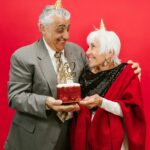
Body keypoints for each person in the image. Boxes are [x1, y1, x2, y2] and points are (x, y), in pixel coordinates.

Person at [5, 0, 141, 149]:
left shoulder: (77, 52)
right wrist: (47, 103)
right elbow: (15, 97)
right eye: (60, 29)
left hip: (69, 137)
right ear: (42, 28)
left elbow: (97, 76)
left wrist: (126, 69)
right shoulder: (23, 56)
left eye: (68, 29)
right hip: (34, 139)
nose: (66, 35)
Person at [70, 20, 146, 150]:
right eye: (88, 47)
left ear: (109, 53)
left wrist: (101, 102)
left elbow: (130, 111)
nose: (87, 52)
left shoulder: (126, 73)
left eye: (93, 47)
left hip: (113, 140)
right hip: (85, 136)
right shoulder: (85, 72)